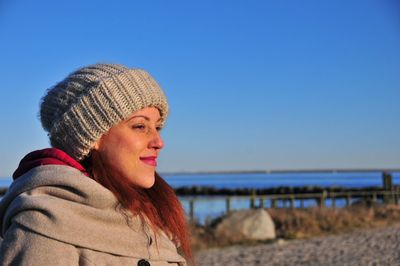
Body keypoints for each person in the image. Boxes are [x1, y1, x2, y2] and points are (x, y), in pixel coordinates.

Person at [0, 63, 192, 265]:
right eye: (140, 126)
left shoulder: (152, 217)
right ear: (92, 138)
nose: (158, 142)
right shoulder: (44, 228)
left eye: (158, 127)